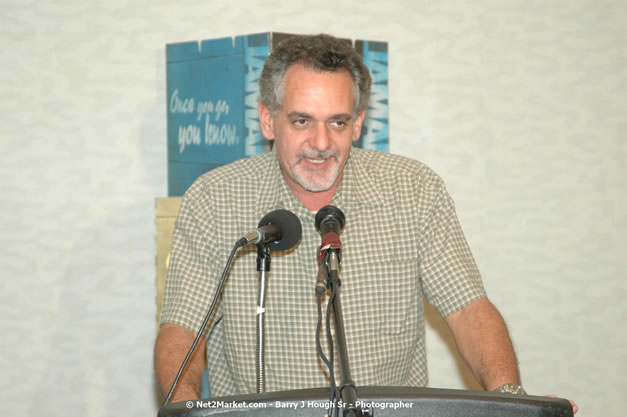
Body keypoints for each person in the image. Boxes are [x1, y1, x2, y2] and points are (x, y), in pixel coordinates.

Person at [154, 33, 577, 413]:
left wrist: (510, 402)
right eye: (302, 121)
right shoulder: (214, 199)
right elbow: (182, 331)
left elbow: (469, 310)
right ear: (268, 119)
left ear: (357, 123)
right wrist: (187, 411)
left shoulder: (413, 190)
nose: (321, 144)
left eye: (338, 122)